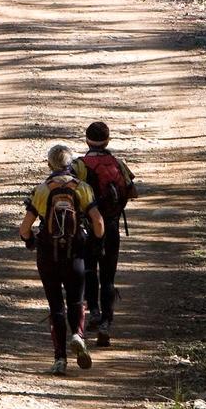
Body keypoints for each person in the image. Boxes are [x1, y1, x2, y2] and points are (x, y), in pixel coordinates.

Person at [18, 144, 105, 375]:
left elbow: (25, 227)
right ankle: (78, 334)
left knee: (56, 305)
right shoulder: (82, 187)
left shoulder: (43, 189)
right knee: (76, 300)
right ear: (70, 163)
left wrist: (29, 241)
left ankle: (60, 359)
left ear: (50, 164)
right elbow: (98, 222)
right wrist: (96, 243)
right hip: (76, 252)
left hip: (48, 254)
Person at [69, 122, 137, 346]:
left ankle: (94, 312)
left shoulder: (79, 165)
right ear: (108, 140)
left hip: (87, 228)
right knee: (108, 276)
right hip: (112, 227)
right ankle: (107, 322)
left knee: (89, 270)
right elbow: (131, 191)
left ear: (87, 140)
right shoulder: (117, 163)